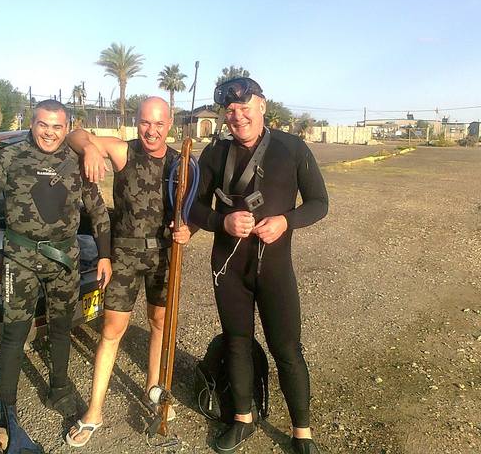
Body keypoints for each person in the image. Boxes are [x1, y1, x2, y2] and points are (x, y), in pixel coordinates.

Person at [189, 78, 328, 454]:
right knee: (236, 342)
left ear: (262, 106)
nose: (238, 116)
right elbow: (194, 207)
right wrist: (222, 222)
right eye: (231, 110)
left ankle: (302, 433)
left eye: (245, 107)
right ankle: (243, 419)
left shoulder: (292, 148)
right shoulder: (215, 153)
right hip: (228, 268)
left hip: (275, 269)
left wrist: (286, 221)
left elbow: (319, 203)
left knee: (287, 349)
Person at [0, 99, 112, 429]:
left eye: (57, 126)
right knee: (14, 334)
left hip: (64, 261)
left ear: (67, 127)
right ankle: (7, 407)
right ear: (32, 124)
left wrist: (104, 254)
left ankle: (59, 390)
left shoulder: (76, 162)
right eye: (43, 125)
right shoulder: (12, 156)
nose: (49, 132)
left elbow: (98, 211)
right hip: (21, 259)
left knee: (61, 328)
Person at [64, 96, 191, 447]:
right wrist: (90, 148)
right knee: (111, 330)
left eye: (159, 123)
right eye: (145, 122)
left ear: (170, 124)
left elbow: (193, 208)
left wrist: (188, 229)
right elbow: (74, 135)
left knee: (160, 323)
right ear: (137, 122)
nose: (152, 130)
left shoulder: (181, 163)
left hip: (164, 255)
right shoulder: (123, 151)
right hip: (124, 255)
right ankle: (94, 411)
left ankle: (153, 387)